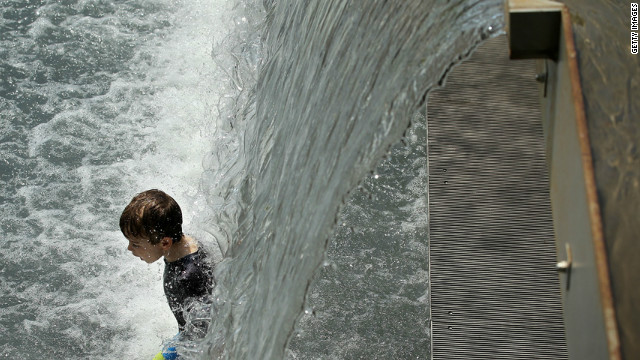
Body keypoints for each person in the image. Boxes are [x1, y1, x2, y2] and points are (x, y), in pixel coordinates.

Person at [119, 189, 215, 345]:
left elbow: (203, 335)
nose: (129, 249)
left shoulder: (187, 278)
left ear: (165, 243)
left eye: (135, 244)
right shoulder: (190, 243)